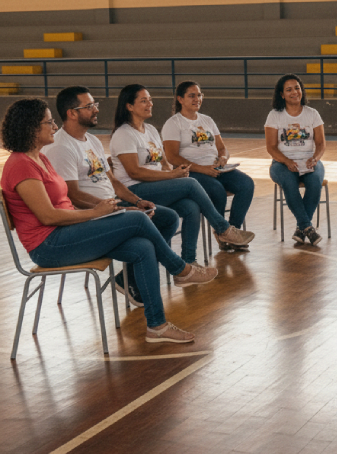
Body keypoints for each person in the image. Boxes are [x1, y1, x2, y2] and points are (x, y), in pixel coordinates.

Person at [1, 98, 217, 344]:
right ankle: (181, 269)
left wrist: (104, 209)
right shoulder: (20, 165)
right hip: (49, 245)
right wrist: (96, 213)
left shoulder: (40, 159)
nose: (53, 126)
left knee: (142, 247)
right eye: (48, 122)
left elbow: (63, 204)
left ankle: (156, 325)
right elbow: (48, 216)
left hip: (68, 231)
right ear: (30, 127)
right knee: (136, 220)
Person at [41, 85, 181, 308]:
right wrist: (120, 210)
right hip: (89, 216)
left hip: (111, 206)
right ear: (72, 113)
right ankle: (178, 269)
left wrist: (135, 201)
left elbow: (113, 182)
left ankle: (130, 279)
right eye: (89, 106)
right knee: (141, 226)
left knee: (167, 217)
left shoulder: (93, 141)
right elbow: (74, 195)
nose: (96, 109)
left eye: (95, 104)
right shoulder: (60, 147)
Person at [110, 84, 254, 264]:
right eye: (144, 101)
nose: (150, 104)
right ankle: (223, 229)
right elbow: (134, 171)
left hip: (156, 185)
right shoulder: (124, 134)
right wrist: (172, 176)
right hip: (135, 191)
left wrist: (171, 173)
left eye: (150, 100)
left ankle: (189, 261)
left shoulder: (151, 130)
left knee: (191, 207)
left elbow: (162, 161)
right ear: (129, 106)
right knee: (191, 184)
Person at [162, 81, 255, 251]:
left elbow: (222, 148)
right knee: (216, 190)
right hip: (192, 172)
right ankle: (223, 231)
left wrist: (223, 158)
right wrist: (201, 169)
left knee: (247, 184)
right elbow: (172, 157)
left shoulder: (207, 120)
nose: (197, 98)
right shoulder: (173, 123)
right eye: (192, 95)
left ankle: (230, 232)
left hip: (216, 168)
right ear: (180, 99)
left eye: (199, 95)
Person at [264, 74, 326, 245]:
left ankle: (301, 229)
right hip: (282, 163)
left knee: (315, 182)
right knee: (289, 183)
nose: (294, 92)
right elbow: (271, 147)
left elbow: (321, 144)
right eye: (289, 89)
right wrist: (286, 161)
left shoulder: (312, 114)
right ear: (282, 94)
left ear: (302, 91)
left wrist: (315, 158)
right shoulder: (274, 115)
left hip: (308, 161)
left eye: (297, 88)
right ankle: (307, 227)